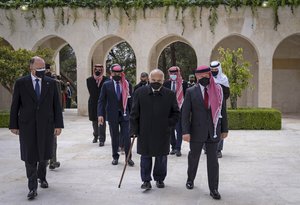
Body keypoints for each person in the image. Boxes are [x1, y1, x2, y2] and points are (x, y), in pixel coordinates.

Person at [9, 56, 64, 200]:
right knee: (30, 155)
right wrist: (13, 125)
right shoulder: (21, 83)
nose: (42, 71)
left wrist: (58, 125)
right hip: (27, 125)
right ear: (31, 69)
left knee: (45, 155)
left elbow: (56, 106)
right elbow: (15, 105)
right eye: (38, 68)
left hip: (46, 125)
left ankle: (42, 177)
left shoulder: (51, 83)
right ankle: (32, 187)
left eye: (43, 68)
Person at [182, 65, 228, 200]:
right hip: (196, 131)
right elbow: (185, 113)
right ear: (196, 77)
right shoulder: (191, 91)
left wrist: (224, 129)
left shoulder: (218, 90)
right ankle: (190, 179)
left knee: (213, 161)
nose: (203, 78)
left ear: (209, 75)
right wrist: (185, 132)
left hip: (214, 130)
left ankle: (214, 188)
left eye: (206, 75)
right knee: (193, 157)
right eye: (200, 76)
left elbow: (223, 111)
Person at [130, 69, 180, 190]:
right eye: (153, 80)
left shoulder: (170, 94)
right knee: (145, 157)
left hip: (162, 132)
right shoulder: (140, 92)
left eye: (159, 80)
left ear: (163, 80)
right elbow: (134, 113)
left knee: (161, 157)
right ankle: (146, 180)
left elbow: (176, 113)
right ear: (149, 79)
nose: (156, 82)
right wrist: (134, 130)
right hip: (145, 131)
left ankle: (159, 178)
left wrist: (168, 124)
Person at [98, 64, 134, 166]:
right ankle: (115, 157)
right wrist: (100, 114)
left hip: (125, 114)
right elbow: (101, 100)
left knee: (127, 137)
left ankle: (128, 158)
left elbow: (131, 101)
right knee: (114, 137)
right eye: (115, 73)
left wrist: (133, 115)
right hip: (112, 114)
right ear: (111, 73)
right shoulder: (106, 85)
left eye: (119, 73)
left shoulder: (127, 84)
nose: (117, 74)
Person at [163, 66, 188, 157]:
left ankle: (178, 148)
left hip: (180, 109)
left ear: (178, 72)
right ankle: (173, 147)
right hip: (169, 110)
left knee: (179, 129)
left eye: (175, 72)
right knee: (170, 130)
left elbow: (186, 97)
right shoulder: (166, 83)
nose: (173, 74)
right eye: (171, 72)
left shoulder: (184, 83)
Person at [210, 61, 230, 158]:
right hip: (209, 107)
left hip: (220, 107)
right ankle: (207, 148)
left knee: (220, 127)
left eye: (215, 70)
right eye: (212, 70)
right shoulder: (208, 79)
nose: (213, 71)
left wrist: (218, 101)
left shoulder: (224, 79)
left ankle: (218, 150)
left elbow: (227, 94)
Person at [86, 64, 108, 146]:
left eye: (100, 69)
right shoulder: (89, 80)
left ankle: (102, 139)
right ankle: (95, 135)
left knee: (102, 121)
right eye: (96, 69)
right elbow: (92, 92)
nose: (98, 71)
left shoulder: (106, 80)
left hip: (103, 103)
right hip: (93, 103)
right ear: (94, 70)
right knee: (94, 121)